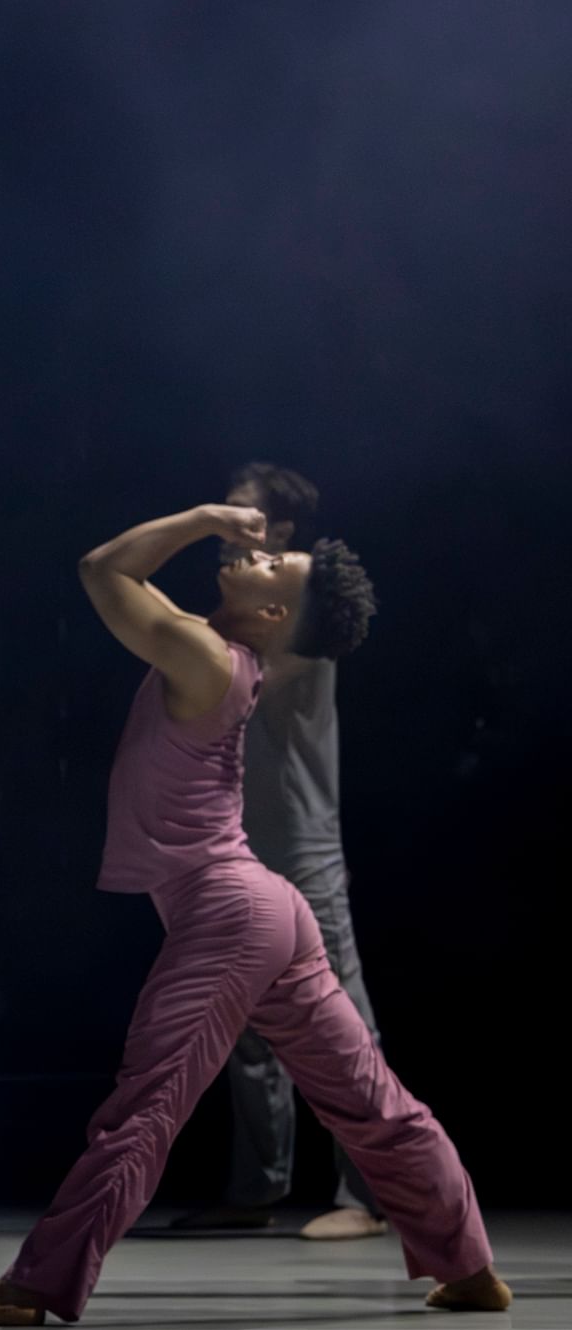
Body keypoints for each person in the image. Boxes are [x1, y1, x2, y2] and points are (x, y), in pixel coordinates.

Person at [0, 501, 510, 1325]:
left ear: (270, 616)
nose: (258, 556)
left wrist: (200, 517)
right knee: (370, 1103)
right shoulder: (224, 657)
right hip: (267, 911)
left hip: (231, 916)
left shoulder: (209, 660)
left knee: (147, 1103)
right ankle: (469, 1266)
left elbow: (102, 570)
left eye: (275, 570)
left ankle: (34, 1286)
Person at [174, 463, 389, 1240]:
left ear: (285, 538)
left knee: (342, 1024)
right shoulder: (242, 614)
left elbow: (212, 658)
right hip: (237, 843)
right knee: (248, 1024)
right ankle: (256, 1187)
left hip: (302, 846)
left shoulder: (299, 620)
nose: (228, 535)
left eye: (243, 521)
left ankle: (368, 1196)